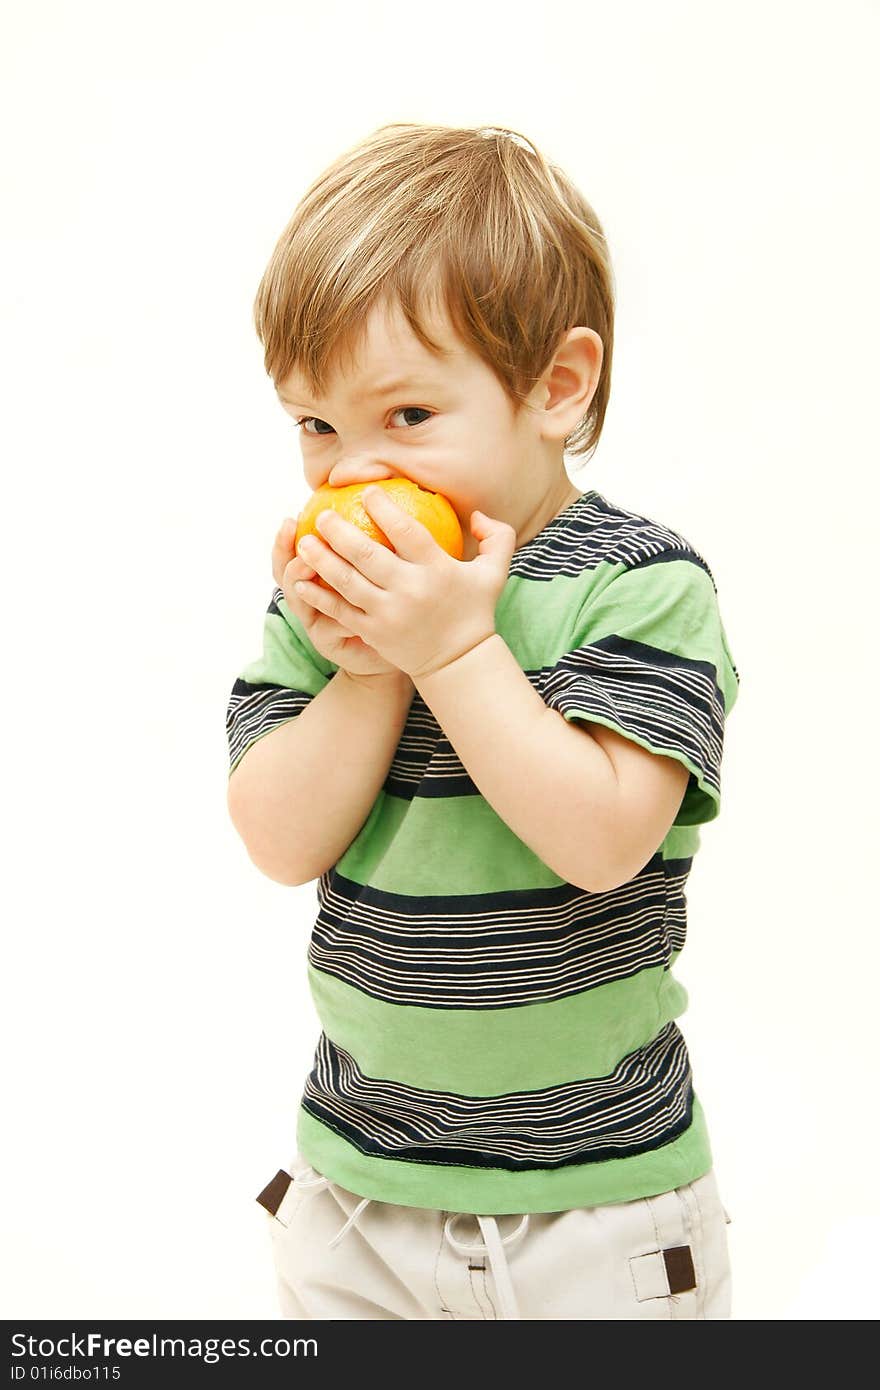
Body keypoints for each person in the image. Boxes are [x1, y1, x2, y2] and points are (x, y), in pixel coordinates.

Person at [226, 122, 740, 1320]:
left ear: (556, 387)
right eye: (315, 425)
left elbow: (605, 839)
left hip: (601, 1202)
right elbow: (276, 839)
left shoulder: (640, 586)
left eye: (404, 417)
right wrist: (368, 669)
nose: (351, 474)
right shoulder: (332, 601)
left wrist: (454, 648)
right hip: (363, 1190)